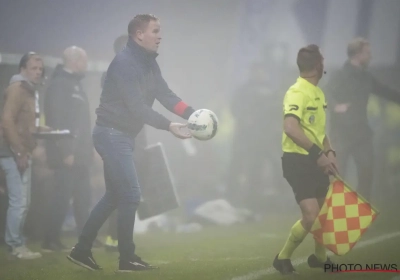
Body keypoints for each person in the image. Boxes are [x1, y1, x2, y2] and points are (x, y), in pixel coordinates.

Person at [67, 14, 196, 272]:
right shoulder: (124, 63)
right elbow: (136, 107)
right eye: (155, 30)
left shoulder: (148, 63)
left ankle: (81, 251)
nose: (160, 36)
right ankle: (127, 258)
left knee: (114, 196)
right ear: (139, 34)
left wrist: (192, 114)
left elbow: (165, 94)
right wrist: (169, 125)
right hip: (112, 135)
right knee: (131, 194)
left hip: (120, 135)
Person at [273, 44, 338, 275]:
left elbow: (318, 131)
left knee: (324, 212)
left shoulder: (318, 92)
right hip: (298, 160)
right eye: (323, 61)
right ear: (318, 65)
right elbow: (290, 128)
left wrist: (329, 152)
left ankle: (319, 258)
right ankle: (282, 258)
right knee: (311, 215)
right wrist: (318, 154)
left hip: (316, 158)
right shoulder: (297, 92)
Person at [326, 37, 400, 202]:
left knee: (366, 173)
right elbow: (324, 93)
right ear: (357, 54)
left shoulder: (367, 77)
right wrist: (335, 106)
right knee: (338, 176)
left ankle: (359, 216)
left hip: (362, 134)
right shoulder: (340, 75)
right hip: (341, 134)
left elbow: (385, 91)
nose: (371, 56)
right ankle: (335, 216)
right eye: (367, 53)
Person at [41, 46, 94, 252]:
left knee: (84, 196)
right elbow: (57, 120)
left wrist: (88, 149)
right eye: (84, 61)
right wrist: (66, 151)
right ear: (75, 61)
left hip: (80, 153)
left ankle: (85, 237)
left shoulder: (75, 85)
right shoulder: (59, 85)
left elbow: (82, 122)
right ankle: (50, 240)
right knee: (61, 196)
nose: (86, 65)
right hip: (68, 153)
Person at [0, 52, 44, 259]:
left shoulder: (28, 90)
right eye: (33, 69)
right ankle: (14, 246)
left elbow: (23, 124)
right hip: (13, 152)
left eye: (40, 69)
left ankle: (18, 244)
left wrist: (43, 130)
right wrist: (18, 151)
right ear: (22, 69)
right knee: (18, 202)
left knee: (22, 202)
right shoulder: (17, 89)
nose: (38, 72)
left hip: (21, 151)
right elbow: (6, 121)